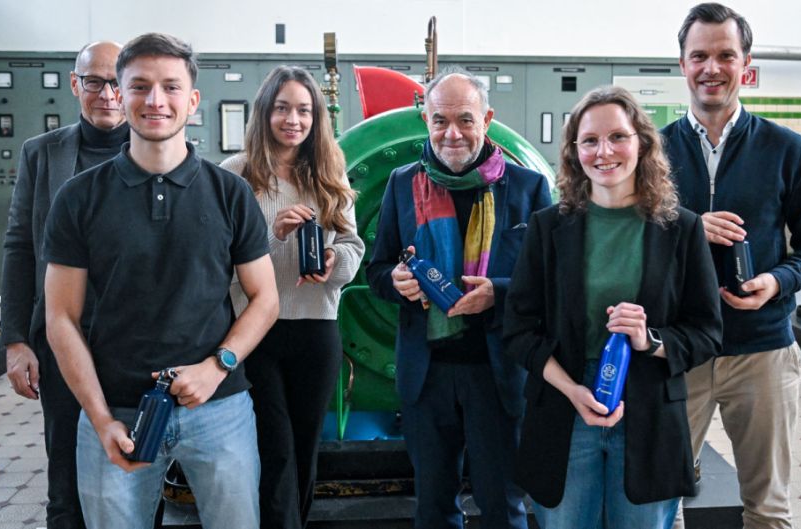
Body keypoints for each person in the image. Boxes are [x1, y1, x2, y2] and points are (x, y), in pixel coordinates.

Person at [43, 33, 279, 529]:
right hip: (116, 409)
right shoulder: (78, 198)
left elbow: (265, 299)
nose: (155, 100)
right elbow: (61, 317)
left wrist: (218, 366)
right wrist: (100, 416)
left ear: (192, 101)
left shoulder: (231, 194)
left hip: (220, 408)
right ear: (121, 94)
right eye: (140, 86)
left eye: (171, 87)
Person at [503, 85, 722, 529]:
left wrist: (650, 339)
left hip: (648, 411)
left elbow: (706, 332)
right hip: (567, 409)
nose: (605, 151)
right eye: (589, 141)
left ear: (642, 142)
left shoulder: (682, 229)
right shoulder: (548, 227)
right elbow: (518, 331)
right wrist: (573, 391)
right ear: (573, 151)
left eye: (618, 137)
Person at [662, 4, 801, 528]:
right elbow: (630, 232)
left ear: (747, 66)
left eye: (725, 55)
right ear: (682, 64)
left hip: (763, 350)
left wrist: (778, 281)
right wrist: (688, 225)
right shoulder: (652, 151)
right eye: (699, 56)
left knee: (768, 509)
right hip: (678, 349)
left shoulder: (788, 151)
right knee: (660, 502)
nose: (711, 68)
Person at [365, 67, 551, 529]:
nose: (452, 134)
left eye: (465, 120)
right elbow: (377, 270)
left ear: (486, 119)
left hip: (496, 374)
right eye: (440, 120)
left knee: (502, 507)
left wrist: (499, 294)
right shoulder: (401, 183)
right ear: (425, 120)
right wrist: (398, 281)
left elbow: (552, 281)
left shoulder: (527, 188)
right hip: (427, 377)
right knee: (433, 507)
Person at [219, 65, 364, 529]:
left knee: (304, 449)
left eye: (303, 110)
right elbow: (218, 258)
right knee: (274, 450)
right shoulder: (234, 175)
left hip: (316, 328)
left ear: (316, 117)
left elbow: (353, 247)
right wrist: (269, 234)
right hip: (255, 331)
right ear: (264, 113)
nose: (293, 120)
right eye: (282, 108)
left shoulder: (327, 172)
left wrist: (329, 262)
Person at [1, 40, 128, 529]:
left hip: (135, 343)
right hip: (60, 339)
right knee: (65, 478)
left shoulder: (159, 151)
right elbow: (18, 248)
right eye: (94, 81)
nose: (107, 93)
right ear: (75, 85)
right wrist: (15, 340)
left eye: (117, 81)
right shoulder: (42, 154)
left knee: (137, 470)